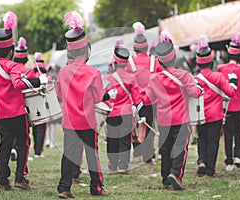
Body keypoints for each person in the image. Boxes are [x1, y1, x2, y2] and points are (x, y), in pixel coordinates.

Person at [56, 11, 114, 198]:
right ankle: (96, 188)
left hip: (68, 122)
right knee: (92, 155)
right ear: (86, 50)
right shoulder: (93, 73)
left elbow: (59, 93)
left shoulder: (63, 72)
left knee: (68, 155)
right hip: (87, 122)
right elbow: (98, 97)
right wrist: (108, 95)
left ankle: (64, 187)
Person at [0, 11, 49, 190]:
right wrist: (40, 81)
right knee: (23, 144)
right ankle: (20, 178)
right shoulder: (12, 65)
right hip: (17, 112)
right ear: (11, 50)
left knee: (5, 146)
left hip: (1, 114)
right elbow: (18, 83)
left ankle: (2, 180)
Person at [144, 30, 203, 190]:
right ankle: (175, 173)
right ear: (174, 57)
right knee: (180, 148)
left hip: (163, 120)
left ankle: (165, 179)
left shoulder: (154, 78)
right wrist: (200, 88)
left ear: (159, 62)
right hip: (181, 119)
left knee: (165, 149)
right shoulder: (184, 75)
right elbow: (195, 93)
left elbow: (147, 100)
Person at [194, 34, 236, 177]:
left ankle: (201, 161)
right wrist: (233, 82)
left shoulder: (195, 79)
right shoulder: (218, 76)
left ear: (198, 64)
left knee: (201, 138)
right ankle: (210, 168)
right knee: (213, 141)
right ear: (211, 62)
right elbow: (230, 93)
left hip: (200, 114)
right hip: (215, 115)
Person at [104, 40, 143, 174]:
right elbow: (137, 98)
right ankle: (123, 165)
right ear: (126, 63)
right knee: (125, 140)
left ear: (114, 63)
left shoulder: (108, 78)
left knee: (112, 140)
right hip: (126, 113)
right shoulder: (131, 78)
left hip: (111, 113)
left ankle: (113, 164)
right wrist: (140, 112)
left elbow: (102, 97)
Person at [126, 22, 162, 164]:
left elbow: (126, 82)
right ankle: (148, 155)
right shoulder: (155, 62)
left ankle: (137, 153)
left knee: (135, 127)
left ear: (134, 48)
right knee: (149, 126)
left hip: (134, 101)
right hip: (151, 100)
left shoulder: (130, 63)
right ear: (147, 47)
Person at [218, 32, 240, 171]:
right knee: (238, 131)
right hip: (239, 106)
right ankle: (238, 155)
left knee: (227, 133)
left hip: (226, 105)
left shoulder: (221, 68)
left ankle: (229, 161)